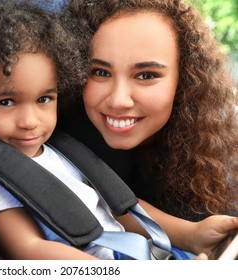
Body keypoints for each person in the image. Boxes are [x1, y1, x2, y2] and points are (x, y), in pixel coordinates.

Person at [0, 0, 238, 260]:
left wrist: (192, 234)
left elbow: (117, 205)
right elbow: (31, 249)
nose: (29, 120)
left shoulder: (59, 148)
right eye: (7, 101)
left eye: (43, 99)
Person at [60, 0, 238, 222]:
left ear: (185, 81)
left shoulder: (222, 148)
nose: (118, 100)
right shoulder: (56, 142)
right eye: (100, 72)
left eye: (146, 75)